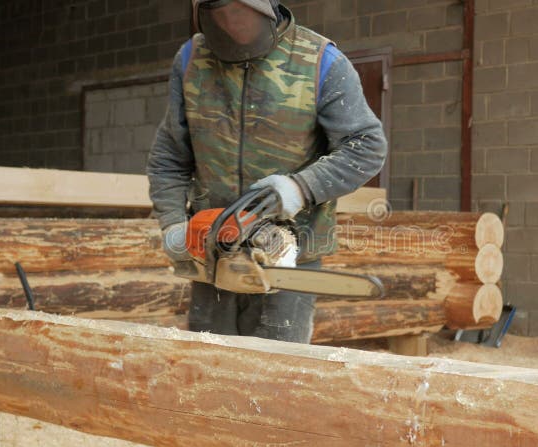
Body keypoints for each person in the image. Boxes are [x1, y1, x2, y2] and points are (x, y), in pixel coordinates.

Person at [147, 0, 387, 343]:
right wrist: (172, 223)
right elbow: (169, 155)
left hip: (290, 253)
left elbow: (367, 145)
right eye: (221, 16)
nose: (232, 25)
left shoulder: (321, 61)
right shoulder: (190, 61)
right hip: (213, 251)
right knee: (210, 370)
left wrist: (300, 188)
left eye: (240, 15)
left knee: (276, 376)